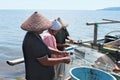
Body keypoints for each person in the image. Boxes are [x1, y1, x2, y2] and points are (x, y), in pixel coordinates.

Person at [21, 12, 70, 80]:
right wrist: (63, 59)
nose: (45, 29)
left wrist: (59, 52)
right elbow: (45, 61)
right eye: (43, 27)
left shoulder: (33, 35)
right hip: (38, 76)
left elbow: (45, 48)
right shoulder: (34, 42)